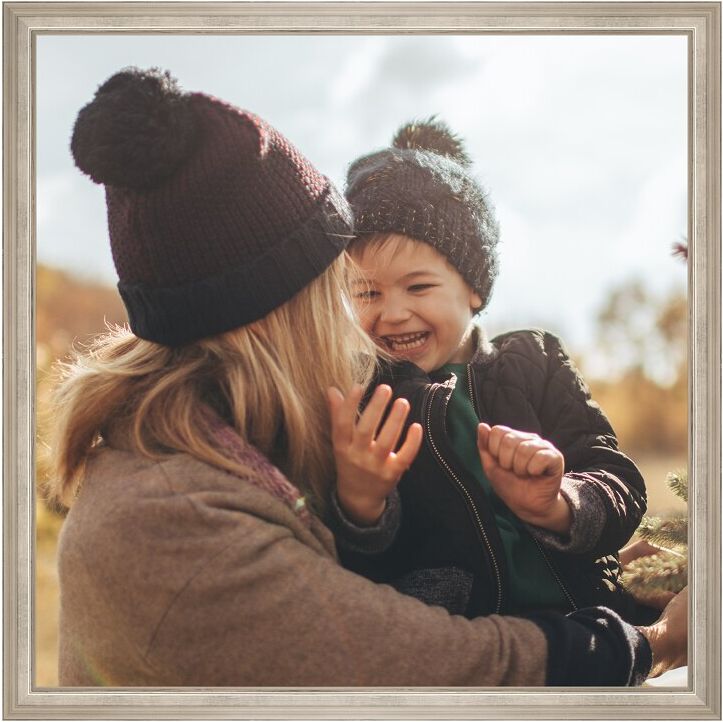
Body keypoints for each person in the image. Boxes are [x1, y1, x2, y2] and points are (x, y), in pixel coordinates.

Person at [51, 67, 684, 688]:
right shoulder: (179, 523)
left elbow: (605, 470)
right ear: (274, 310)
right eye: (351, 285)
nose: (376, 313)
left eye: (418, 285)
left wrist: (573, 515)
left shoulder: (243, 437)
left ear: (474, 289)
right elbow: (421, 661)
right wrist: (652, 646)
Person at [330, 118, 659, 625]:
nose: (393, 313)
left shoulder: (535, 361)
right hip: (464, 644)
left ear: (474, 289)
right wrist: (360, 501)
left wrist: (560, 502)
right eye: (368, 293)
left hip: (591, 620)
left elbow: (618, 479)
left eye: (418, 288)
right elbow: (355, 569)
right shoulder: (364, 398)